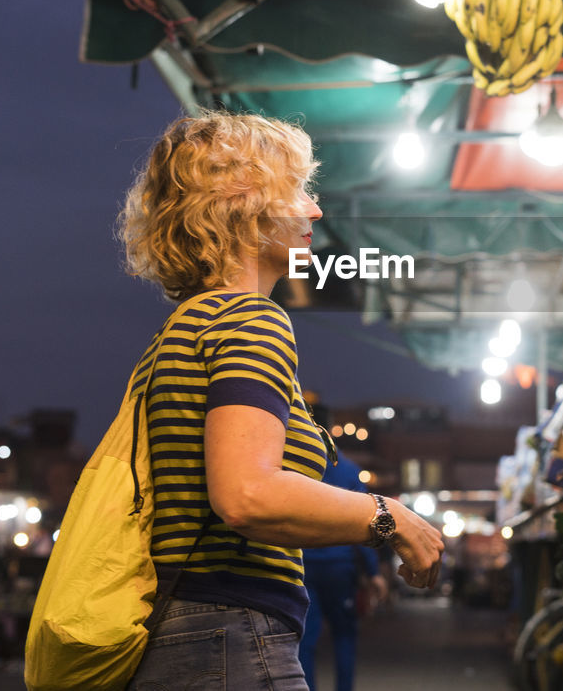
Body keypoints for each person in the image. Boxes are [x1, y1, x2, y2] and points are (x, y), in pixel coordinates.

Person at [117, 110, 444, 691]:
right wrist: (391, 519)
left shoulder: (183, 329)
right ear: (241, 204)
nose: (315, 210)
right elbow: (247, 495)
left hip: (181, 632)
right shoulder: (249, 321)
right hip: (230, 635)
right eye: (295, 191)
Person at [298, 451, 388, 691]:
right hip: (339, 566)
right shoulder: (349, 470)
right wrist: (373, 572)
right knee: (344, 635)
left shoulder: (299, 463)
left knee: (306, 639)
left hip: (303, 565)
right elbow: (366, 521)